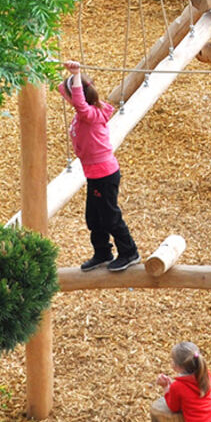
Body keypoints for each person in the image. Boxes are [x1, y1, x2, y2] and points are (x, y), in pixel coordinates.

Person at [60, 58, 139, 272]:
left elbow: (78, 101)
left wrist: (76, 76)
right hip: (94, 174)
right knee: (93, 217)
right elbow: (66, 91)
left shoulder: (91, 115)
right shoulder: (85, 112)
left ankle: (130, 252)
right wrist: (68, 72)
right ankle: (102, 252)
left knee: (110, 216)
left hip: (105, 174)